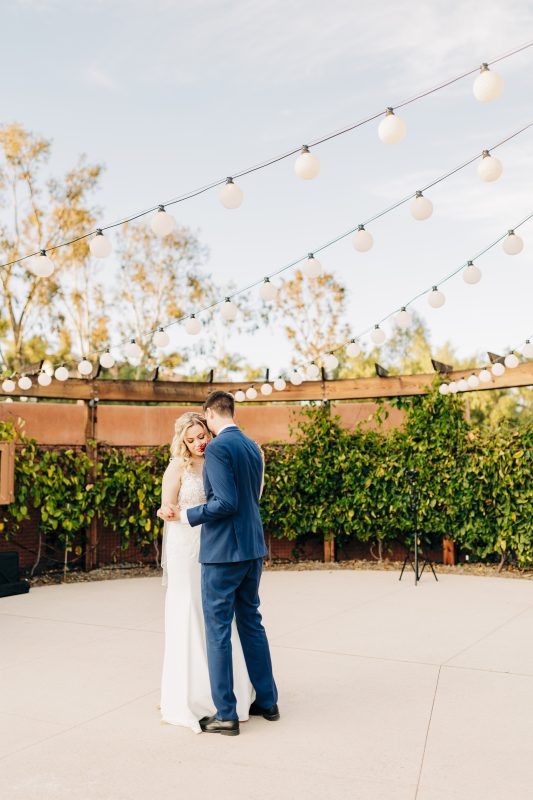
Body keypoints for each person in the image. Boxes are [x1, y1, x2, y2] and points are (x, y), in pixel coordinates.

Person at [170, 391, 279, 737]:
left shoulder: (218, 448)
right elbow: (251, 498)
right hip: (252, 549)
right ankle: (268, 700)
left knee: (218, 631)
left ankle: (226, 714)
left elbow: (226, 503)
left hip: (222, 554)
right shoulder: (251, 446)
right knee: (251, 623)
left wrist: (188, 516)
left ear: (209, 414)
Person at [157, 411, 254, 734]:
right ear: (182, 442)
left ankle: (227, 696)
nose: (199, 443)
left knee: (217, 619)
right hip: (187, 546)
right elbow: (166, 506)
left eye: (202, 436)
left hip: (216, 545)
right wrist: (168, 511)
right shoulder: (177, 467)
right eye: (191, 439)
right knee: (190, 610)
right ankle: (191, 694)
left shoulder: (217, 458)